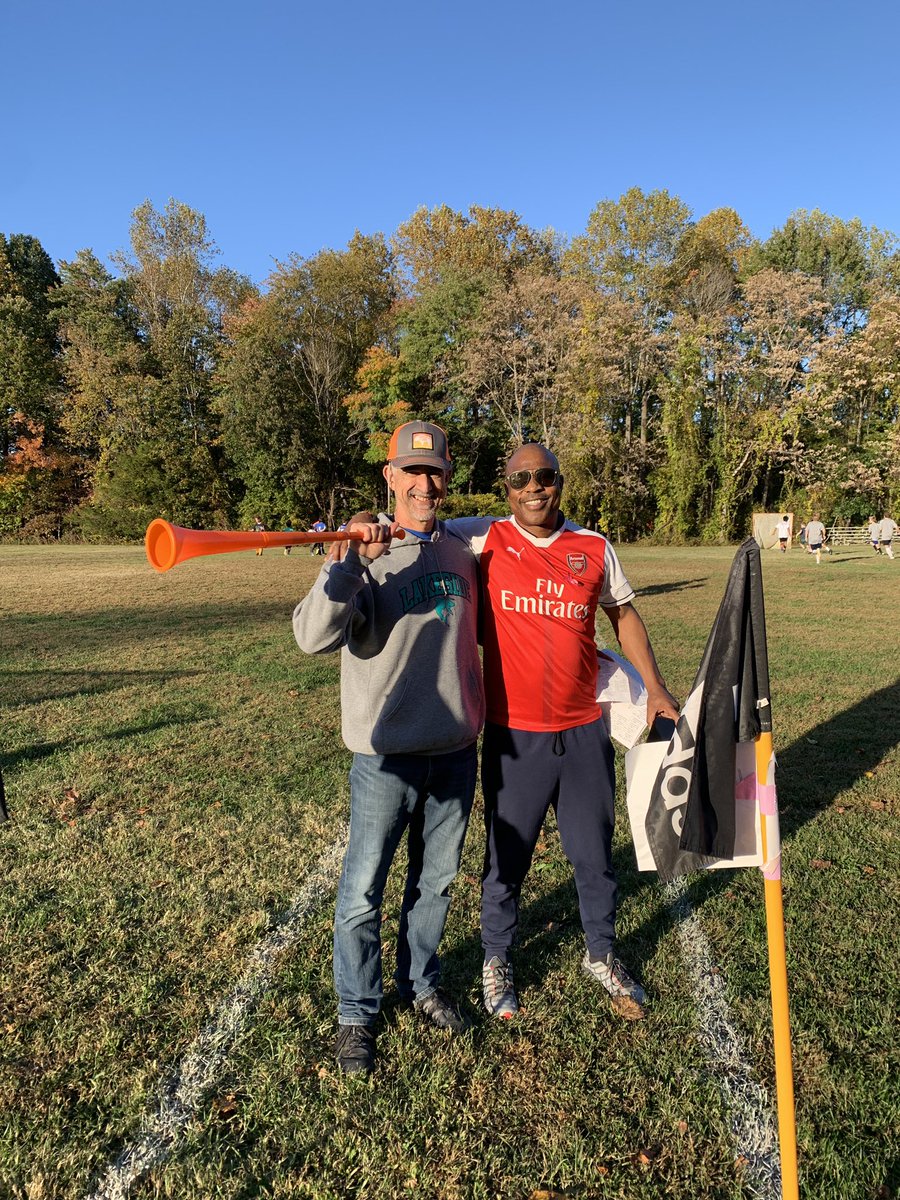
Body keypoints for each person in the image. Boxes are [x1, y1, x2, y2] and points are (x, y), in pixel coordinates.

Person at [446, 444, 679, 1023]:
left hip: (582, 732)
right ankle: (497, 956)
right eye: (521, 478)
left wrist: (655, 688)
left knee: (593, 856)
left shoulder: (593, 547)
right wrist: (362, 528)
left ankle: (601, 952)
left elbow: (623, 615)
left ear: (559, 483)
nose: (533, 487)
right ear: (506, 488)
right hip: (513, 736)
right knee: (506, 860)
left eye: (544, 477)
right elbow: (417, 530)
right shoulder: (482, 538)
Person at [293, 421, 484, 1075]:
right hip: (385, 758)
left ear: (448, 477)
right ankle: (356, 1015)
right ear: (390, 475)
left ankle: (422, 983)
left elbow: (519, 521)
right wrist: (349, 562)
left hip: (457, 751)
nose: (423, 483)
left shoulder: (464, 549)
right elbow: (312, 637)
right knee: (362, 893)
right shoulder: (362, 549)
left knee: (434, 885)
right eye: (411, 471)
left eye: (434, 472)